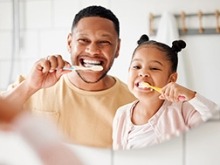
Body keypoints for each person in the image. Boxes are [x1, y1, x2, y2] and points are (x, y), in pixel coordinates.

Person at [5, 5, 136, 148]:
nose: (92, 51)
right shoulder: (30, 85)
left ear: (117, 48)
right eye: (83, 40)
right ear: (69, 43)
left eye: (104, 42)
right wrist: (30, 86)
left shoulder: (133, 103)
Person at [112, 34, 219, 150]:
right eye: (137, 66)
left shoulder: (183, 110)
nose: (143, 73)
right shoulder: (121, 114)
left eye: (154, 68)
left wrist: (191, 96)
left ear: (172, 79)